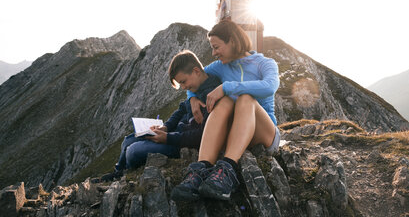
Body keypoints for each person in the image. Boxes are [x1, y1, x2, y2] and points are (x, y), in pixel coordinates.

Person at [171, 19, 280, 201]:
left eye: (216, 47)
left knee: (245, 98)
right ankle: (201, 170)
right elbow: (194, 77)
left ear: (233, 41)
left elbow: (269, 87)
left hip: (264, 133)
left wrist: (227, 86)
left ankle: (227, 171)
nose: (214, 53)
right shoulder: (220, 67)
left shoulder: (265, 63)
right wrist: (193, 99)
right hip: (236, 133)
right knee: (227, 101)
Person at [98, 50, 223, 182]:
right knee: (128, 140)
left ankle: (125, 174)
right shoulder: (196, 89)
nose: (183, 87)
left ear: (196, 71)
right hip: (174, 134)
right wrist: (166, 127)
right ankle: (119, 172)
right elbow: (181, 110)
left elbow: (202, 135)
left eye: (183, 82)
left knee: (133, 151)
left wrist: (168, 138)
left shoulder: (212, 95)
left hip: (182, 143)